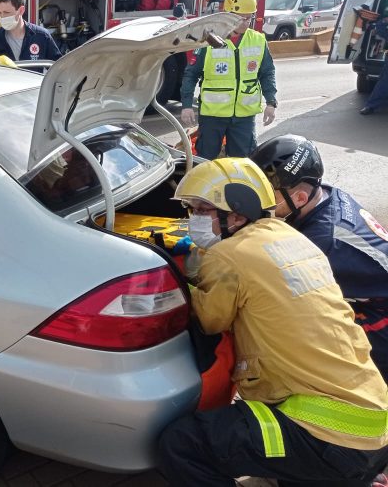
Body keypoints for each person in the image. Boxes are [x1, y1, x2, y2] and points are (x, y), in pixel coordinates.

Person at [158, 157, 388, 486]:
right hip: (374, 423)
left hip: (328, 436)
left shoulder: (228, 256)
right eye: (191, 209)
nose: (192, 219)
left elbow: (209, 320)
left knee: (183, 444)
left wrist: (187, 281)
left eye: (201, 210)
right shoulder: (293, 237)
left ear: (236, 214)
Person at [251, 134, 388, 380]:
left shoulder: (322, 243)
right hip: (375, 291)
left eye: (269, 196)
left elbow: (281, 294)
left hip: (381, 318)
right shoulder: (328, 195)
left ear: (300, 198)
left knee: (299, 332)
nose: (263, 203)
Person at [180, 0, 277, 160]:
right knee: (205, 160)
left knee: (242, 162)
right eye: (242, 18)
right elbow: (191, 74)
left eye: (250, 18)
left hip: (244, 117)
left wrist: (271, 102)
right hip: (213, 116)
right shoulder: (209, 40)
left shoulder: (258, 40)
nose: (246, 23)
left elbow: (267, 73)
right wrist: (187, 105)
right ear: (228, 15)